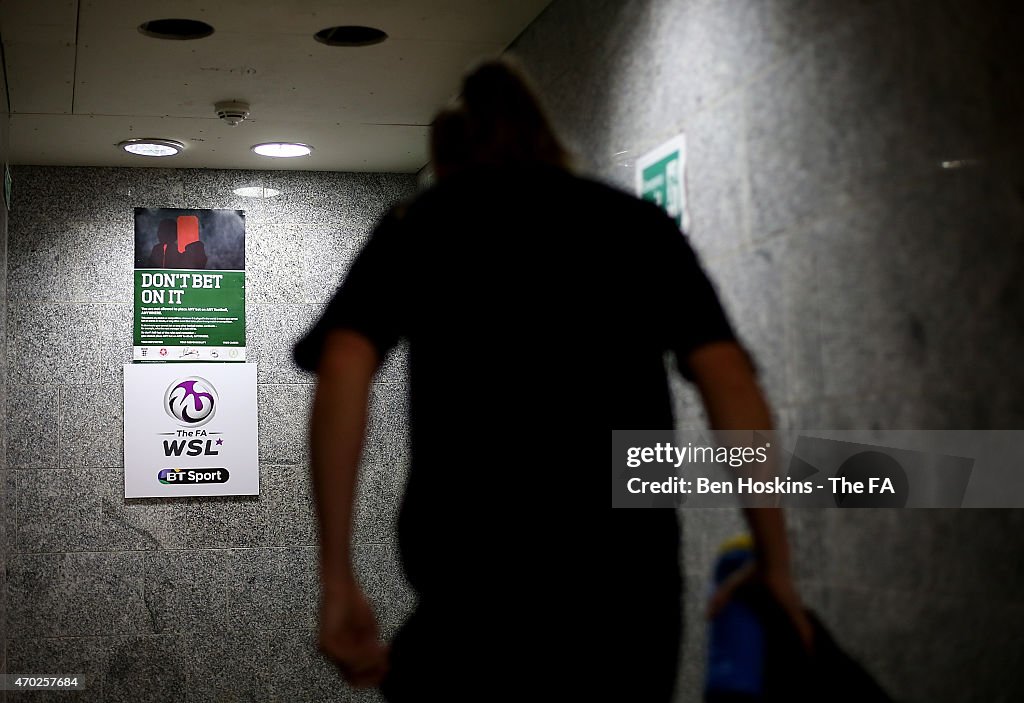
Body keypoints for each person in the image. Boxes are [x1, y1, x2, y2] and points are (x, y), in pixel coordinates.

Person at [293, 58, 811, 702]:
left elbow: (345, 362)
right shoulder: (637, 226)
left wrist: (336, 573)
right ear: (546, 138)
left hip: (473, 593)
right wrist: (774, 559)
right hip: (626, 600)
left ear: (448, 160)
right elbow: (728, 380)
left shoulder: (420, 224)